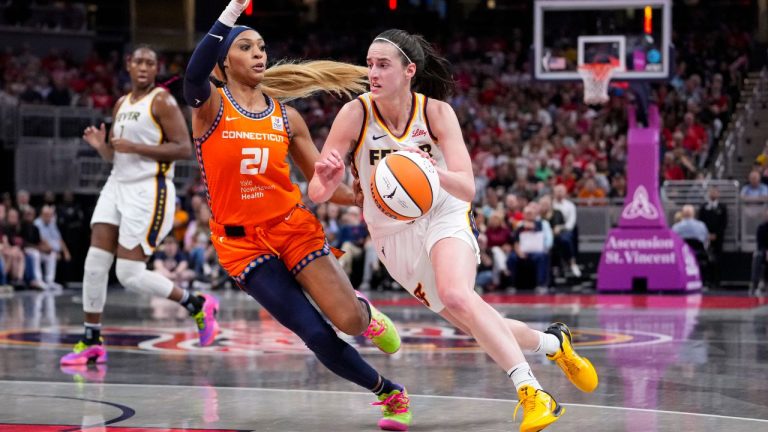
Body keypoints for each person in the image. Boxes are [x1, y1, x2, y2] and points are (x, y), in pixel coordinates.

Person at [309, 29, 598, 432]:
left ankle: (533, 392)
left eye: (383, 65)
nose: (372, 72)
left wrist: (430, 170)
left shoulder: (436, 113)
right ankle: (553, 344)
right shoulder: (354, 114)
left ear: (409, 71)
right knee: (470, 319)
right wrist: (327, 179)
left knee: (458, 295)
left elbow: (467, 186)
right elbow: (317, 192)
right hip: (392, 234)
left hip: (443, 210)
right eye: (370, 64)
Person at [182, 1, 410, 430]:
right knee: (315, 334)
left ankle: (365, 314)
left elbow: (323, 186)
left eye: (261, 47)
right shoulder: (210, 106)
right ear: (223, 62)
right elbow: (193, 75)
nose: (258, 53)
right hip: (242, 246)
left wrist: (365, 196)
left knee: (348, 321)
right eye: (246, 47)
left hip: (292, 228)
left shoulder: (287, 118)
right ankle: (389, 392)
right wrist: (229, 13)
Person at [60, 45, 220, 367]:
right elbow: (118, 155)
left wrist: (135, 146)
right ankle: (91, 339)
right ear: (128, 65)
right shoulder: (121, 103)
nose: (144, 67)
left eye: (150, 63)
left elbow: (183, 149)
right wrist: (102, 148)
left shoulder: (162, 101)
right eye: (139, 62)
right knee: (94, 263)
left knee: (129, 274)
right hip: (116, 184)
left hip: (149, 189)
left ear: (156, 68)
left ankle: (196, 303)